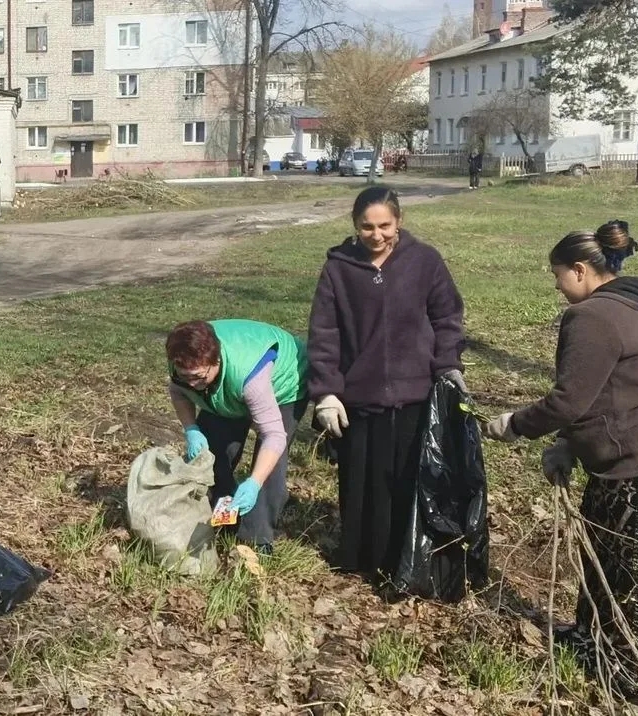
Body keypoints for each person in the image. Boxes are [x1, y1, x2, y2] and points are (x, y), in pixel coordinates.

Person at [483, 221, 638, 705]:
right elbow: (603, 392)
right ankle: (595, 641)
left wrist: (515, 424)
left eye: (557, 274)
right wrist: (568, 446)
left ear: (580, 270)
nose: (556, 285)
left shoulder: (592, 315)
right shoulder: (631, 306)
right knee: (606, 560)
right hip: (636, 458)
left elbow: (568, 400)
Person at [307, 186, 466, 585]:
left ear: (399, 222)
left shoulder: (425, 261)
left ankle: (405, 562)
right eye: (367, 227)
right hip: (359, 397)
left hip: (415, 395)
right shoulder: (338, 269)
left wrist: (448, 367)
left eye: (384, 226)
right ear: (354, 225)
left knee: (406, 482)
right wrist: (326, 392)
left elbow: (447, 317)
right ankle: (363, 558)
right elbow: (324, 333)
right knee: (364, 482)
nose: (376, 235)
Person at [166, 319, 308, 553]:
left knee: (268, 466)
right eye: (185, 377)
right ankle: (220, 516)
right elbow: (178, 391)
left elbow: (274, 436)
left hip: (286, 380)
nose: (192, 384)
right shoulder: (181, 362)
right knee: (212, 450)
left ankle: (256, 538)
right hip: (229, 385)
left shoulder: (249, 378)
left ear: (216, 361)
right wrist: (191, 429)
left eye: (198, 377)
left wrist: (254, 482)